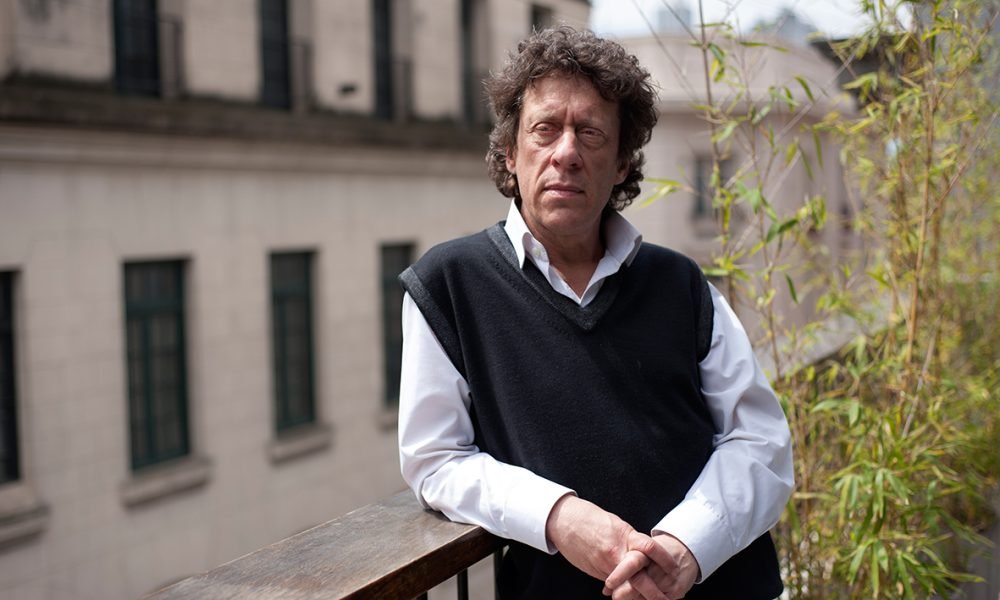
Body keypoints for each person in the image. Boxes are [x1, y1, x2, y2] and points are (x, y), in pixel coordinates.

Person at [397, 26, 793, 600]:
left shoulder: (682, 284)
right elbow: (435, 461)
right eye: (544, 130)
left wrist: (685, 546)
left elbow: (761, 440)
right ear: (510, 153)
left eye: (591, 133)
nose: (567, 153)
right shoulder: (448, 285)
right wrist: (559, 516)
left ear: (622, 164)